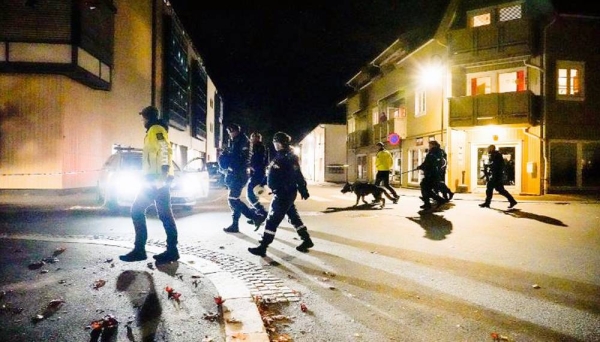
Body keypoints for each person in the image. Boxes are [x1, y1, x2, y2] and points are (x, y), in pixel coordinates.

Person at [119, 105, 179, 263]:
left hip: (157, 179)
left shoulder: (156, 129)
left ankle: (140, 250)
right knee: (165, 214)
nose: (141, 121)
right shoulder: (153, 130)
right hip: (155, 178)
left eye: (143, 118)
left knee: (137, 210)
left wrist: (163, 175)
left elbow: (165, 149)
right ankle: (172, 250)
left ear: (147, 118)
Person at [248, 132, 313, 257]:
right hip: (282, 192)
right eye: (274, 142)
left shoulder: (289, 157)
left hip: (284, 193)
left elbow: (297, 173)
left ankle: (263, 246)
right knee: (293, 217)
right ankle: (306, 240)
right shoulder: (279, 155)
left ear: (282, 143)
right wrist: (262, 183)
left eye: (276, 142)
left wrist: (303, 189)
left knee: (272, 220)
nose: (275, 144)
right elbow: (270, 172)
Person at [221, 123, 266, 233]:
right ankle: (235, 224)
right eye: (229, 132)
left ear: (236, 131)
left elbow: (238, 159)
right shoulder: (237, 140)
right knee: (234, 200)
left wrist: (226, 157)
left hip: (238, 174)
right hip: (237, 174)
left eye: (231, 132)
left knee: (233, 200)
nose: (230, 134)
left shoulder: (241, 141)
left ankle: (255, 216)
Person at [479, 144, 518, 209]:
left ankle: (512, 201)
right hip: (494, 175)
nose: (488, 150)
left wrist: (488, 165)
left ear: (491, 149)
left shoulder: (497, 155)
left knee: (498, 190)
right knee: (491, 189)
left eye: (489, 149)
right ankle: (487, 203)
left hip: (496, 176)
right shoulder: (493, 155)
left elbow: (497, 165)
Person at [417, 140, 447, 210]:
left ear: (434, 145)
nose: (429, 146)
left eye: (430, 145)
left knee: (425, 188)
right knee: (425, 188)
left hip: (432, 174)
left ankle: (438, 200)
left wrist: (422, 167)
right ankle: (428, 203)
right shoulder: (435, 152)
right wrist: (421, 166)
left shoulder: (435, 152)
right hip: (432, 173)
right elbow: (427, 162)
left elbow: (430, 163)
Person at [246, 132, 268, 222]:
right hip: (256, 173)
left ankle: (261, 211)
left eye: (255, 137)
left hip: (257, 173)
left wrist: (251, 166)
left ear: (259, 138)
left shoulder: (259, 148)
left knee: (250, 194)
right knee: (254, 194)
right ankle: (255, 215)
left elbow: (259, 161)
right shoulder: (257, 147)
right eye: (252, 137)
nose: (253, 139)